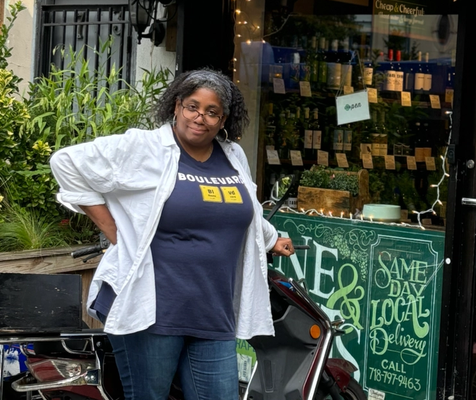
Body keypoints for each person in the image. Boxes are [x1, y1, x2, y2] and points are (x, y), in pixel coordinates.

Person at [50, 68, 294, 400]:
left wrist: (270, 239)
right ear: (177, 106)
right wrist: (113, 229)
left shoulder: (233, 156)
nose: (200, 118)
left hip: (212, 310)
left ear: (224, 120)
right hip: (153, 309)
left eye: (212, 112)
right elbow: (66, 163)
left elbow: (240, 210)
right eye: (193, 106)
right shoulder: (145, 148)